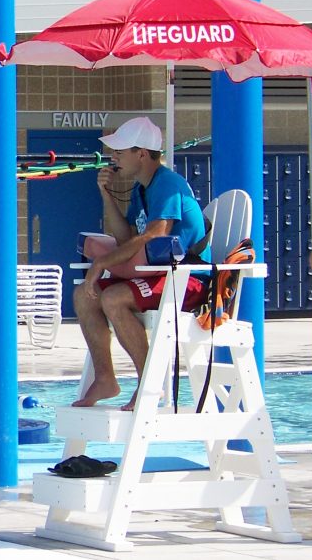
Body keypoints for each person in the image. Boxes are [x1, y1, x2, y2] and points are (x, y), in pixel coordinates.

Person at [73, 117, 211, 410]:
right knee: (84, 296)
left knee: (113, 298)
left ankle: (148, 383)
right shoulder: (141, 189)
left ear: (142, 154)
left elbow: (155, 235)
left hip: (188, 281)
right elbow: (126, 238)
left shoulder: (169, 185)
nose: (114, 158)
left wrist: (101, 264)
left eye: (120, 152)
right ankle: (105, 378)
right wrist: (107, 196)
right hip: (159, 275)